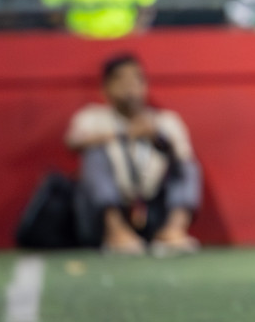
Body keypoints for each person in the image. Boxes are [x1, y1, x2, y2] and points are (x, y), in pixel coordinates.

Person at [65, 53, 202, 256]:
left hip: (152, 207)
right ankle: (116, 232)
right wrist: (122, 134)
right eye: (121, 80)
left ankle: (174, 230)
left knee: (186, 165)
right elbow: (72, 142)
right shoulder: (93, 117)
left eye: (136, 79)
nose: (130, 86)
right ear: (106, 88)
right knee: (93, 155)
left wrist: (157, 139)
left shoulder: (165, 121)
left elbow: (183, 159)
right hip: (110, 210)